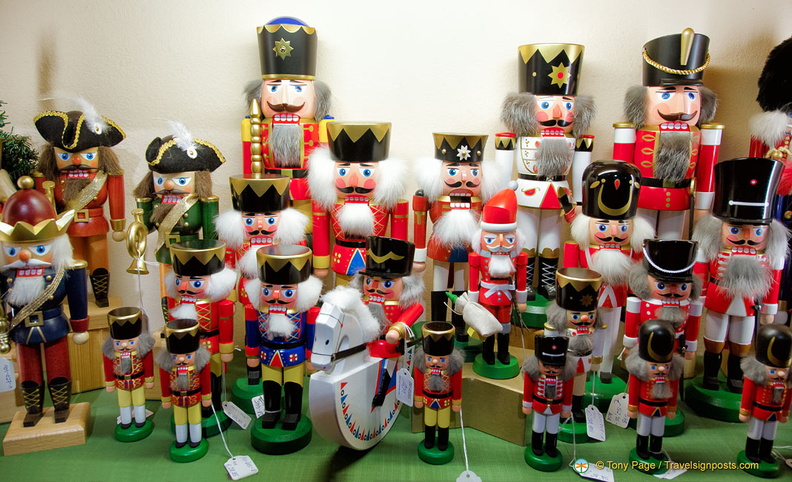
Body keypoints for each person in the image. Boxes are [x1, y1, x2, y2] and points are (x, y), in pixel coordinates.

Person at [498, 43, 595, 298]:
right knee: (527, 239)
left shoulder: (578, 140)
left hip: (560, 195)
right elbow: (503, 169)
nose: (557, 112)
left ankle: (548, 282)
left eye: (567, 103)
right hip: (526, 194)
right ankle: (525, 282)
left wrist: (581, 202)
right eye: (545, 104)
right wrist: (499, 199)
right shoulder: (514, 138)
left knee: (552, 240)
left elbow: (582, 171)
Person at [613, 28, 721, 239]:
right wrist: (619, 202)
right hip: (643, 197)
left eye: (691, 94)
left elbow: (707, 170)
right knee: (640, 242)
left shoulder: (701, 134)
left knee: (671, 244)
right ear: (640, 101)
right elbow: (622, 167)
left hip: (680, 196)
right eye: (667, 94)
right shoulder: (631, 131)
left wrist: (703, 207)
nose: (682, 107)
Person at [692, 157, 788, 393]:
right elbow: (701, 274)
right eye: (735, 229)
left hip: (749, 303)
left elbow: (774, 284)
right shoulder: (713, 249)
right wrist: (698, 299)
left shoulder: (769, 257)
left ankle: (736, 376)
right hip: (718, 299)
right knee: (714, 339)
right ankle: (710, 375)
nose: (746, 236)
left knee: (741, 342)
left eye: (756, 230)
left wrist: (769, 310)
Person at [0, 177, 88, 426]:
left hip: (52, 325)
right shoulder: (6, 274)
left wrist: (80, 327)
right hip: (20, 328)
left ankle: (61, 406)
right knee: (29, 372)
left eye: (39, 249)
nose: (24, 255)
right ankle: (33, 409)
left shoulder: (65, 270)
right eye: (14, 250)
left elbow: (78, 298)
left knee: (58, 367)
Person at [34, 102, 125, 307]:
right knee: (75, 262)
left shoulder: (103, 176)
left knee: (99, 260)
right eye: (65, 156)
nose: (76, 161)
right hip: (69, 225)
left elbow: (116, 192)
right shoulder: (54, 178)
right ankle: (78, 299)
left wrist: (118, 224)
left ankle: (101, 296)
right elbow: (44, 199)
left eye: (87, 155)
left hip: (96, 223)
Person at [242, 16, 332, 224]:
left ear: (317, 96)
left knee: (307, 225)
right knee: (273, 224)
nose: (284, 100)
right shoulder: (255, 126)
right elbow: (249, 163)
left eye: (297, 88)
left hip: (306, 190)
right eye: (274, 87)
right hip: (269, 188)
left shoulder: (320, 126)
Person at [131, 122, 224, 319]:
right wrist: (140, 214)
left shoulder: (199, 203)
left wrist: (213, 257)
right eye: (160, 180)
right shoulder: (156, 203)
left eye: (181, 180)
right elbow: (146, 227)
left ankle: (192, 324)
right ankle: (170, 324)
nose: (168, 185)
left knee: (193, 291)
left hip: (193, 253)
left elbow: (210, 234)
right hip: (165, 252)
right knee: (167, 291)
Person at [412, 133, 500, 342]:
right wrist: (419, 256)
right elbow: (419, 223)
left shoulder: (480, 200)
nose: (464, 178)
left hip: (467, 249)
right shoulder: (432, 197)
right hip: (440, 246)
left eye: (473, 171)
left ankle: (460, 325)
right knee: (440, 285)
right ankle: (438, 322)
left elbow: (492, 227)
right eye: (453, 171)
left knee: (462, 286)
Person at [308, 122, 408, 286]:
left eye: (366, 172)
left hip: (376, 261)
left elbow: (399, 237)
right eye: (343, 171)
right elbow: (321, 231)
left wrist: (399, 266)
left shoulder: (387, 202)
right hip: (342, 257)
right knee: (341, 293)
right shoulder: (328, 203)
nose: (354, 181)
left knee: (370, 294)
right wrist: (320, 262)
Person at [244, 245, 321, 430]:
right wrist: (252, 354)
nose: (276, 296)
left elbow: (312, 334)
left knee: (294, 385)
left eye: (287, 291)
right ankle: (271, 411)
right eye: (268, 290)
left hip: (295, 353)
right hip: (267, 353)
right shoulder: (257, 310)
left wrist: (311, 357)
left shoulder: (306, 312)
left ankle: (293, 412)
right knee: (270, 384)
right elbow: (252, 332)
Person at [468, 188, 528, 371]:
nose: (500, 243)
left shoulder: (517, 257)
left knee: (505, 326)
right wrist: (472, 299)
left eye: (508, 238)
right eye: (492, 238)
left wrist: (521, 299)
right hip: (486, 296)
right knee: (487, 325)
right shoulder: (478, 257)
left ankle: (503, 352)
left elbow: (522, 278)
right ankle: (487, 353)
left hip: (507, 298)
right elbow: (473, 279)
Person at [102, 306, 155, 439]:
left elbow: (148, 363)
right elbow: (108, 367)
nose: (124, 345)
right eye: (118, 343)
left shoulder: (142, 350)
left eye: (130, 342)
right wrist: (110, 382)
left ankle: (140, 419)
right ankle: (125, 421)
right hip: (121, 383)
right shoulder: (111, 353)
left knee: (139, 401)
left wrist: (149, 378)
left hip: (138, 381)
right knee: (123, 402)